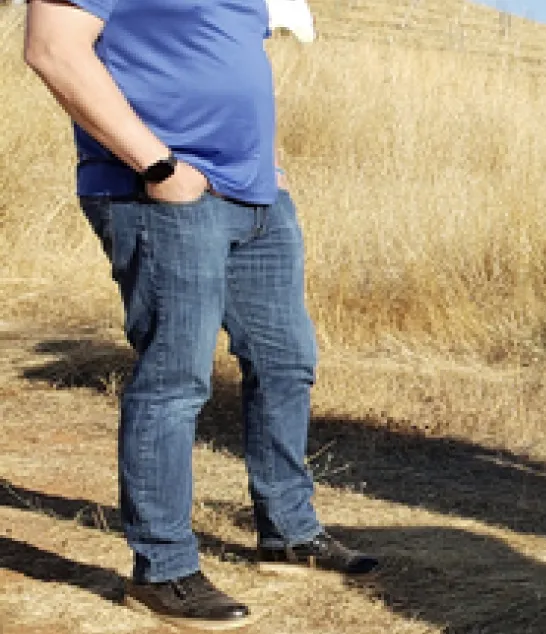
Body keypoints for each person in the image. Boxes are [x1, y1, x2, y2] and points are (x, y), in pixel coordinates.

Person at [22, 0, 382, 630]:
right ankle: (162, 568)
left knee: (286, 362)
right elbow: (53, 49)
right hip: (161, 194)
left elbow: (237, 58)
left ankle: (290, 533)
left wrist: (269, 169)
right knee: (175, 379)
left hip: (258, 198)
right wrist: (159, 166)